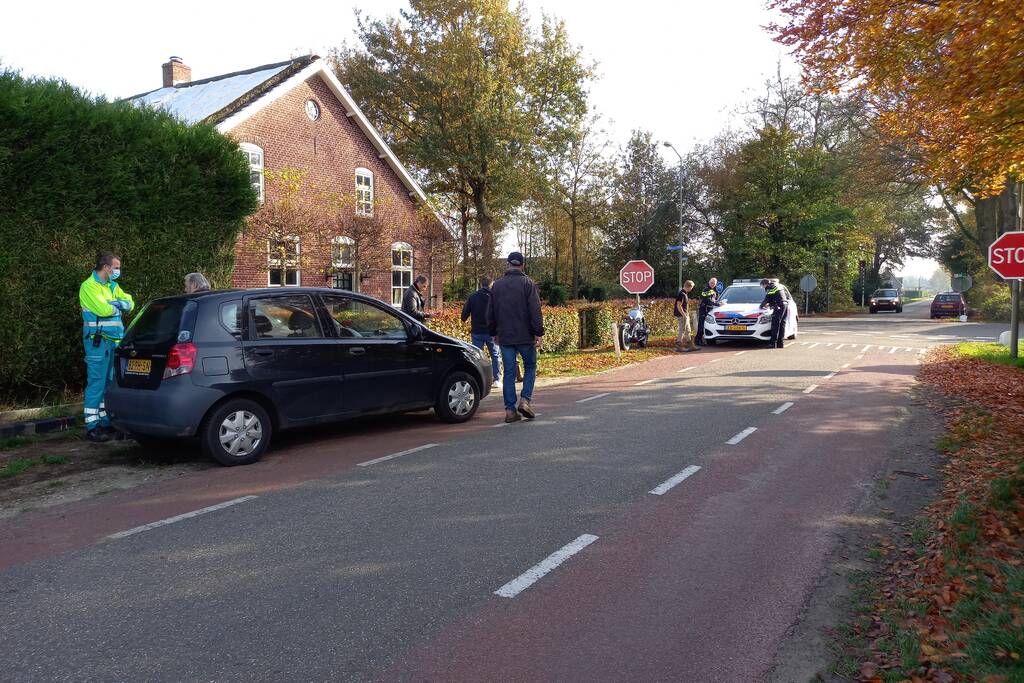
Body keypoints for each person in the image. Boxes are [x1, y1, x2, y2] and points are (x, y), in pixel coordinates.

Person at [80, 251, 135, 443]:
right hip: (97, 342)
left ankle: (104, 422)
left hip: (114, 341)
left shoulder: (113, 285)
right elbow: (103, 310)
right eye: (116, 267)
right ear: (106, 267)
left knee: (109, 383)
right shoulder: (89, 286)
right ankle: (92, 426)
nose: (118, 271)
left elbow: (131, 303)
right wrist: (119, 306)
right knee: (96, 382)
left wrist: (117, 304)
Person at [488, 251, 544, 423]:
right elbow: (535, 310)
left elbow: (490, 312)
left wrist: (493, 332)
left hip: (505, 336)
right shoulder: (528, 283)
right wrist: (538, 332)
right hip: (525, 335)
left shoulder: (497, 286)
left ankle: (510, 410)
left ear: (508, 264)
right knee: (530, 367)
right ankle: (525, 400)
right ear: (522, 265)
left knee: (509, 373)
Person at [461, 275, 501, 386]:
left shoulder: (472, 297)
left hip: (477, 331)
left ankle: (479, 379)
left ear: (480, 284)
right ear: (491, 285)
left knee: (477, 357)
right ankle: (497, 379)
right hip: (492, 331)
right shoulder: (495, 297)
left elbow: (464, 316)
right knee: (495, 355)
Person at [760, 278, 787, 349]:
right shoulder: (778, 285)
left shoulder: (771, 288)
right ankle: (780, 344)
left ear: (765, 284)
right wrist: (770, 304)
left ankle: (773, 344)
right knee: (782, 324)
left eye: (763, 286)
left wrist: (760, 307)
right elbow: (776, 297)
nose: (763, 287)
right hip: (784, 305)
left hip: (778, 306)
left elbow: (767, 299)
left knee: (775, 325)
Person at [695, 277, 721, 346]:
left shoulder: (714, 290)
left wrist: (719, 302)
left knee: (707, 325)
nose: (712, 284)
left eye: (714, 283)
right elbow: (708, 300)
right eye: (711, 283)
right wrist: (718, 304)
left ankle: (701, 339)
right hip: (704, 309)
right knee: (701, 325)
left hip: (709, 310)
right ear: (709, 282)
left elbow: (715, 299)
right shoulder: (706, 289)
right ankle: (698, 340)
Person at [674, 280, 699, 352]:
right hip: (682, 315)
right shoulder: (681, 294)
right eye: (692, 287)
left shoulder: (684, 293)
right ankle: (678, 346)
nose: (692, 289)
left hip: (685, 314)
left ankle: (691, 346)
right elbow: (678, 305)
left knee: (688, 330)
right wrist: (684, 315)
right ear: (689, 286)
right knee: (682, 330)